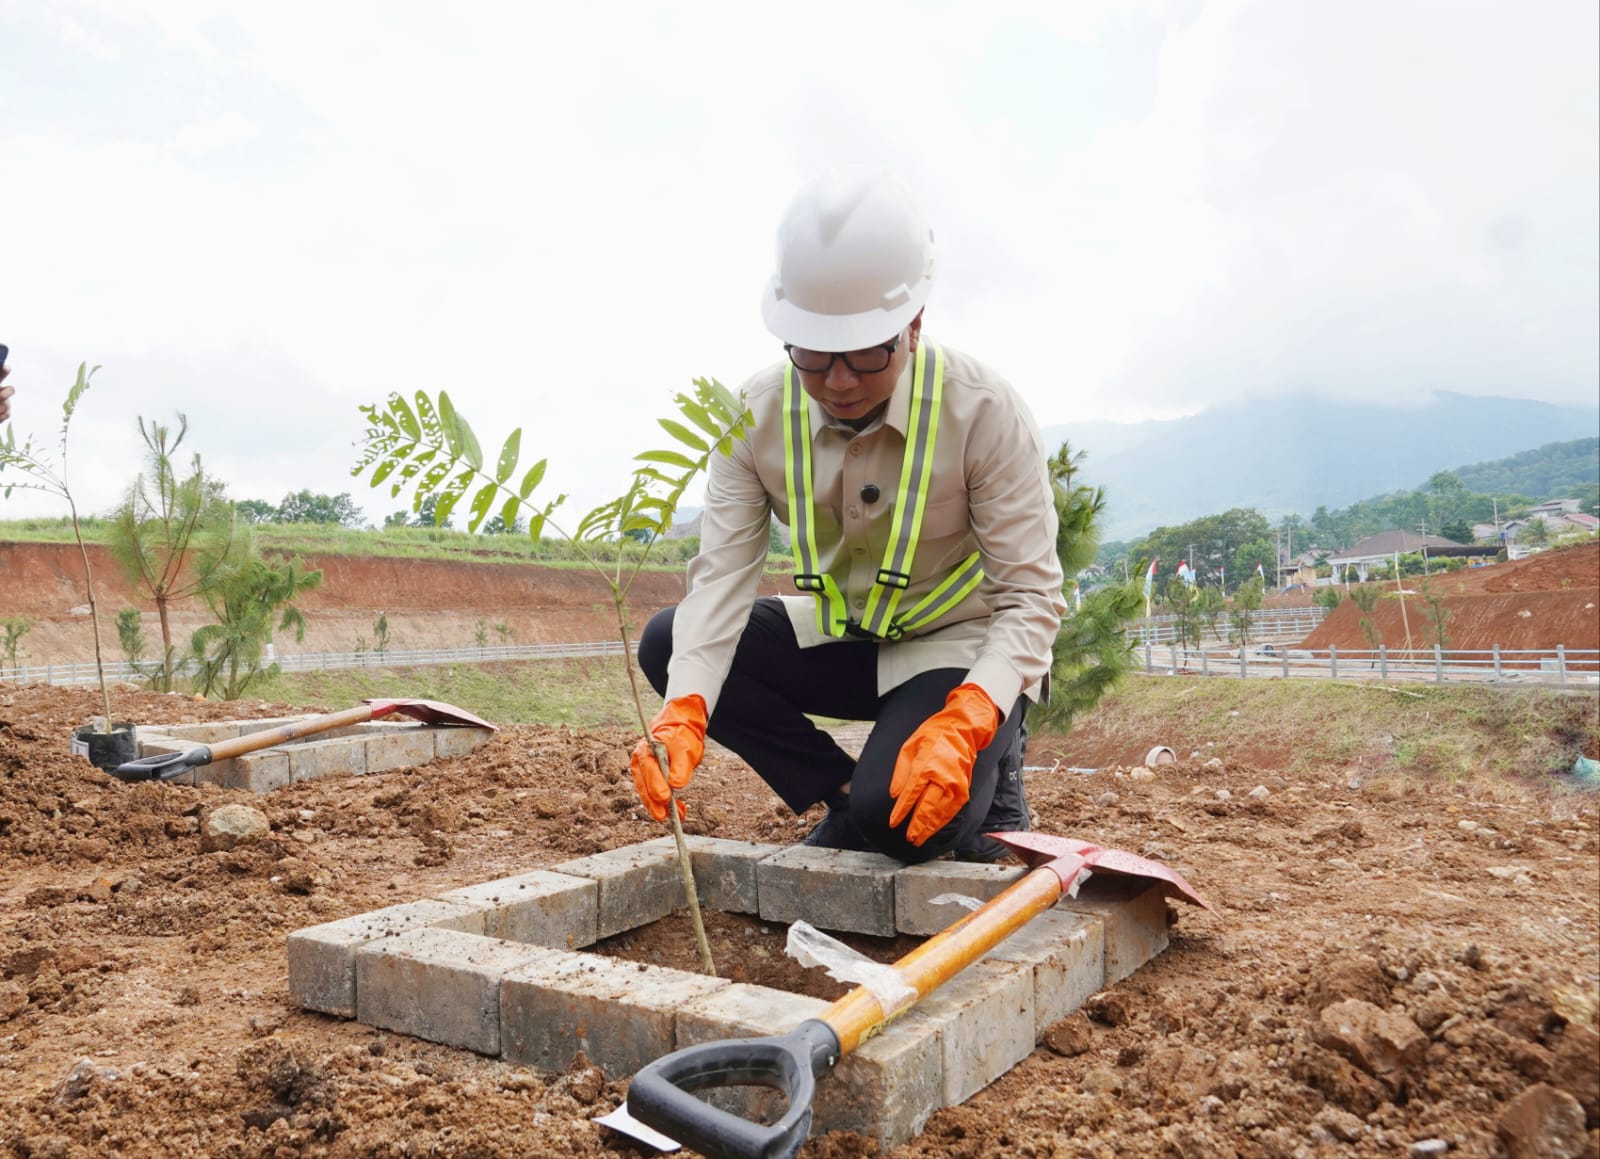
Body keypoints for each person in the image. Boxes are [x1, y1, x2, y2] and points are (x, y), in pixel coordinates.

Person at [630, 168, 1064, 865]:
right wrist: (684, 710)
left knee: (908, 826)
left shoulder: (984, 413)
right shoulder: (752, 417)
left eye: (866, 354)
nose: (837, 381)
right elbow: (719, 586)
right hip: (847, 637)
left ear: (913, 324)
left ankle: (995, 749)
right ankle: (843, 792)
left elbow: (1032, 598)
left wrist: (973, 712)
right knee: (667, 642)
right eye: (813, 354)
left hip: (951, 643)